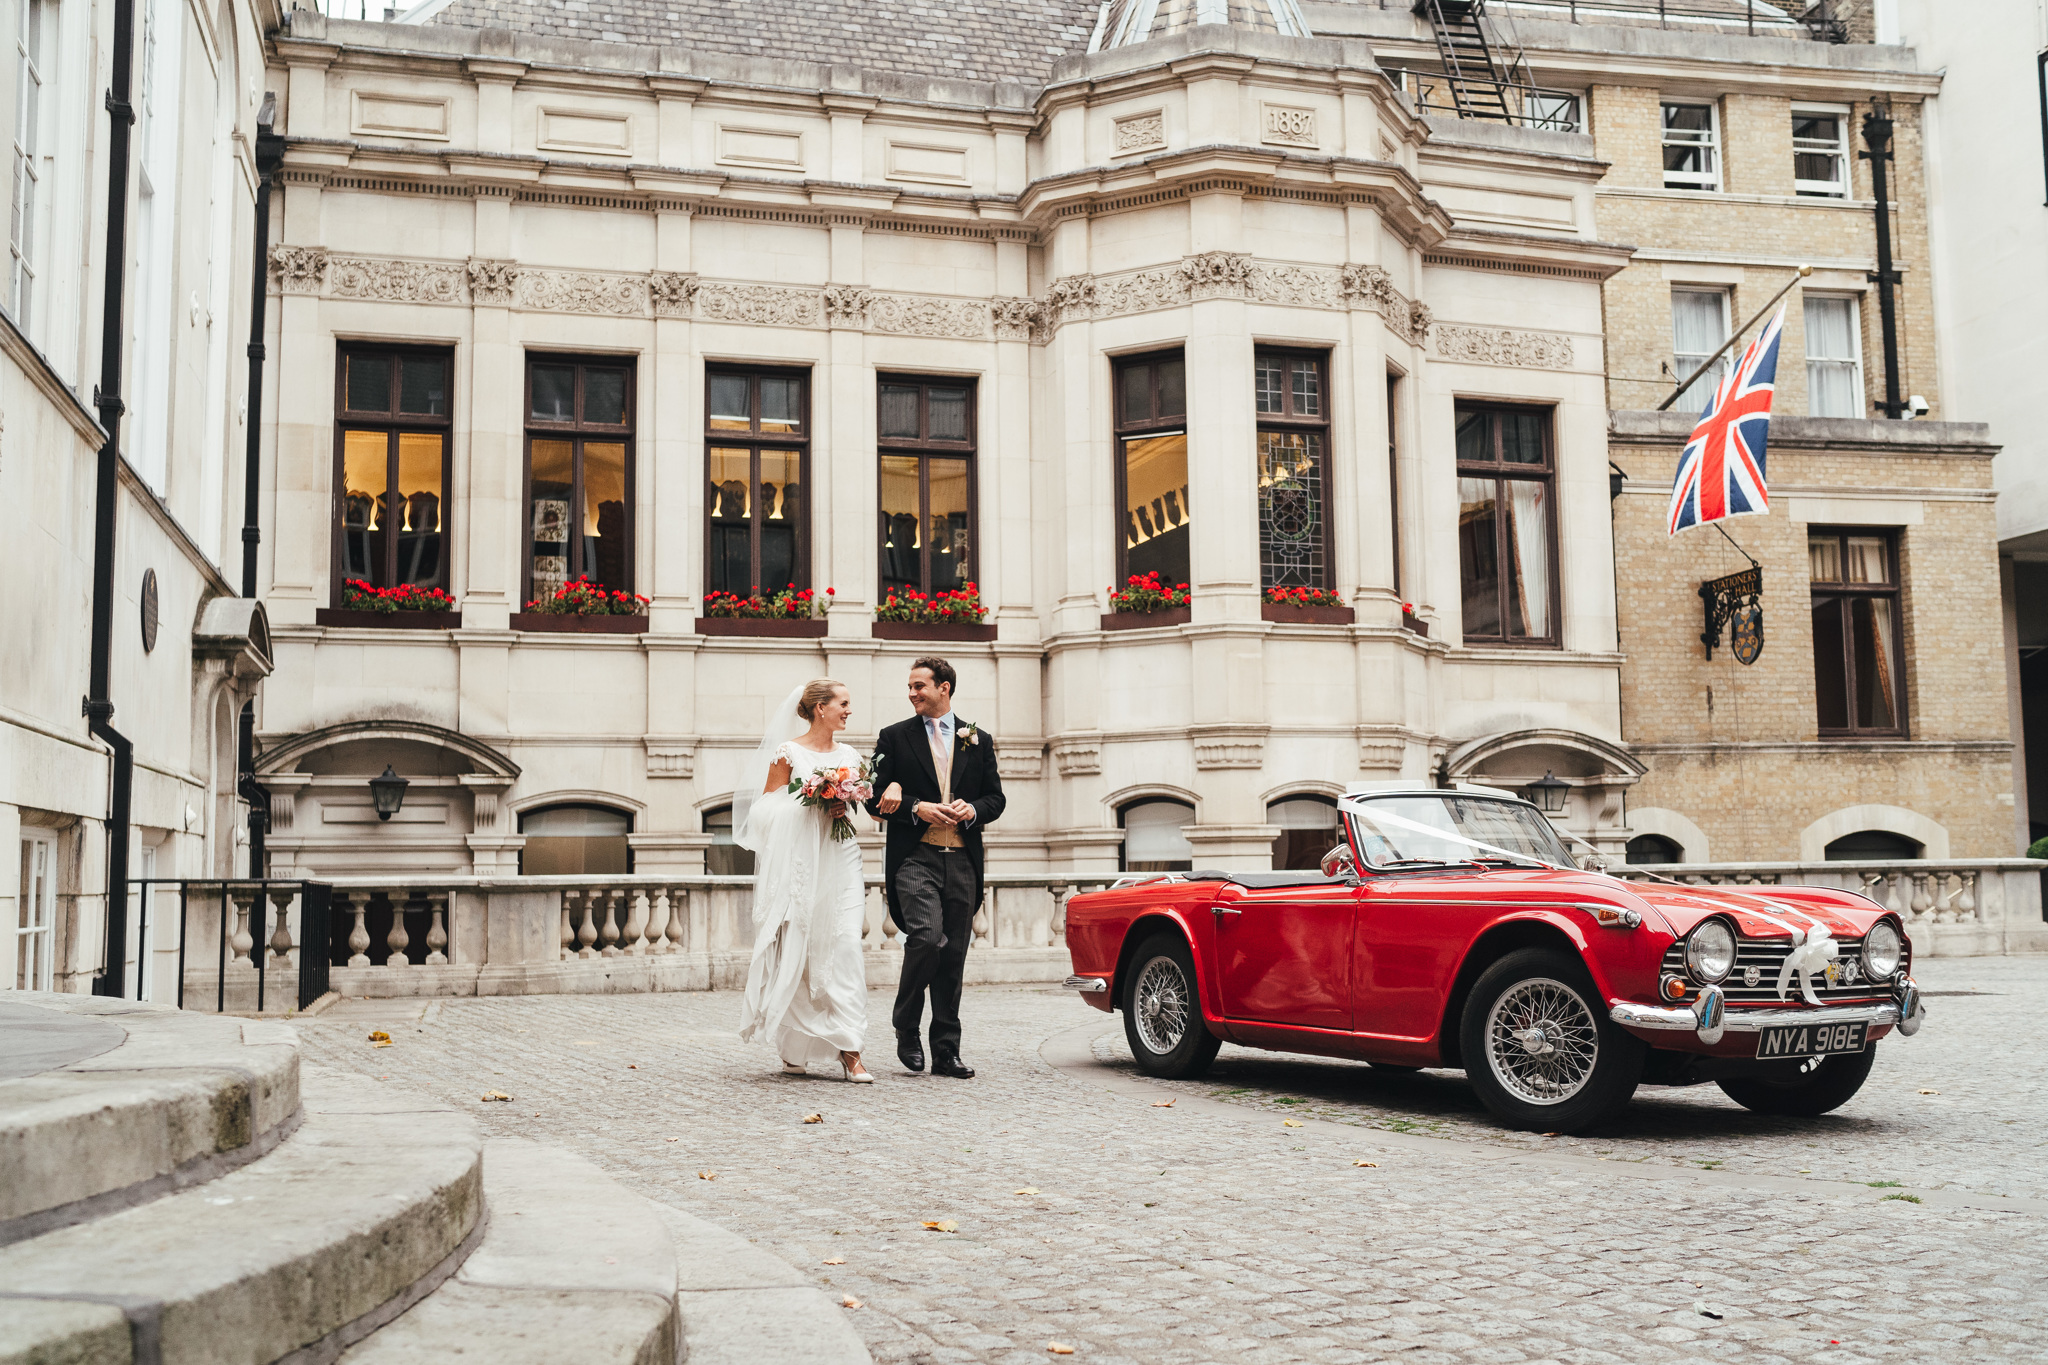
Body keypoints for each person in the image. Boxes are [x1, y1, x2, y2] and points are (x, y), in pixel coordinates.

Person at [868, 657, 1005, 1078]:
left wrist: (972, 810)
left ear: (944, 688)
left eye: (919, 686)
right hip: (915, 858)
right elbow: (873, 799)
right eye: (910, 687)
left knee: (955, 956)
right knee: (927, 938)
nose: (912, 693)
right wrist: (917, 807)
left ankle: (946, 1051)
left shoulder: (977, 739)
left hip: (962, 859)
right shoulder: (893, 737)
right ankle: (906, 1026)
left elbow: (995, 800)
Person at [735, 678, 873, 1082]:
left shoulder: (850, 754)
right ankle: (795, 1047)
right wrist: (812, 799)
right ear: (820, 708)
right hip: (802, 864)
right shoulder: (788, 753)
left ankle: (851, 1049)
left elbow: (868, 806)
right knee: (803, 946)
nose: (848, 711)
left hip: (841, 858)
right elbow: (763, 811)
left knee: (846, 945)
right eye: (843, 704)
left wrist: (846, 798)